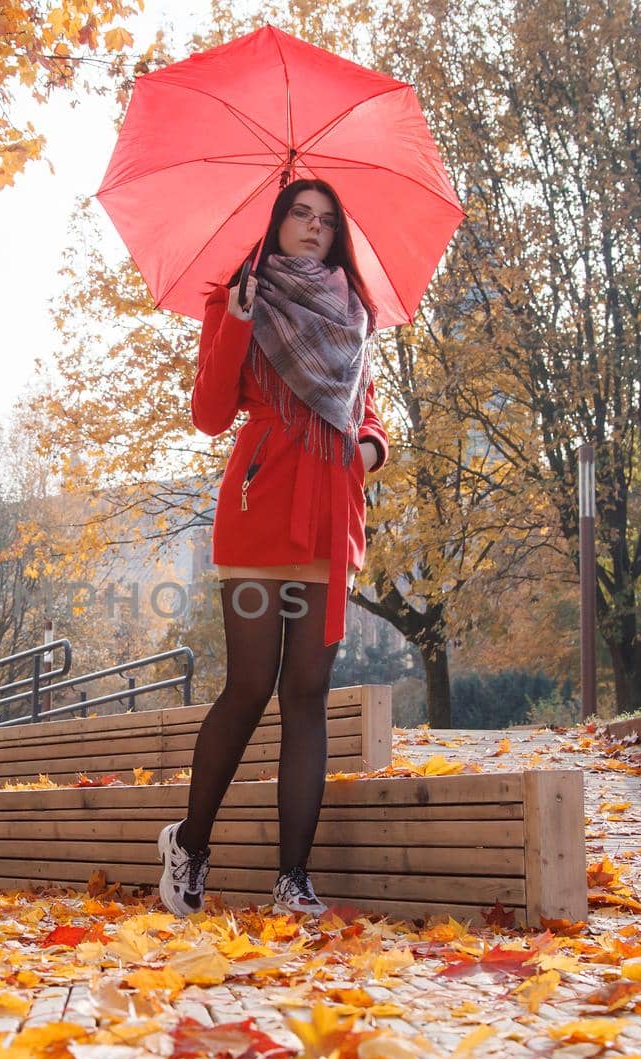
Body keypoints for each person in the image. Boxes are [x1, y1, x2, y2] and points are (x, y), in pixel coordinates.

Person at [156, 178, 391, 918]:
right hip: (260, 517)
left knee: (308, 696)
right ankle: (190, 845)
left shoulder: (352, 310)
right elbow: (208, 413)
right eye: (301, 214)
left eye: (326, 220)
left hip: (327, 518)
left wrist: (370, 451)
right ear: (278, 221)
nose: (314, 228)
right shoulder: (237, 297)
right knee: (252, 685)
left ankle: (294, 876)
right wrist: (233, 324)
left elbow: (368, 410)